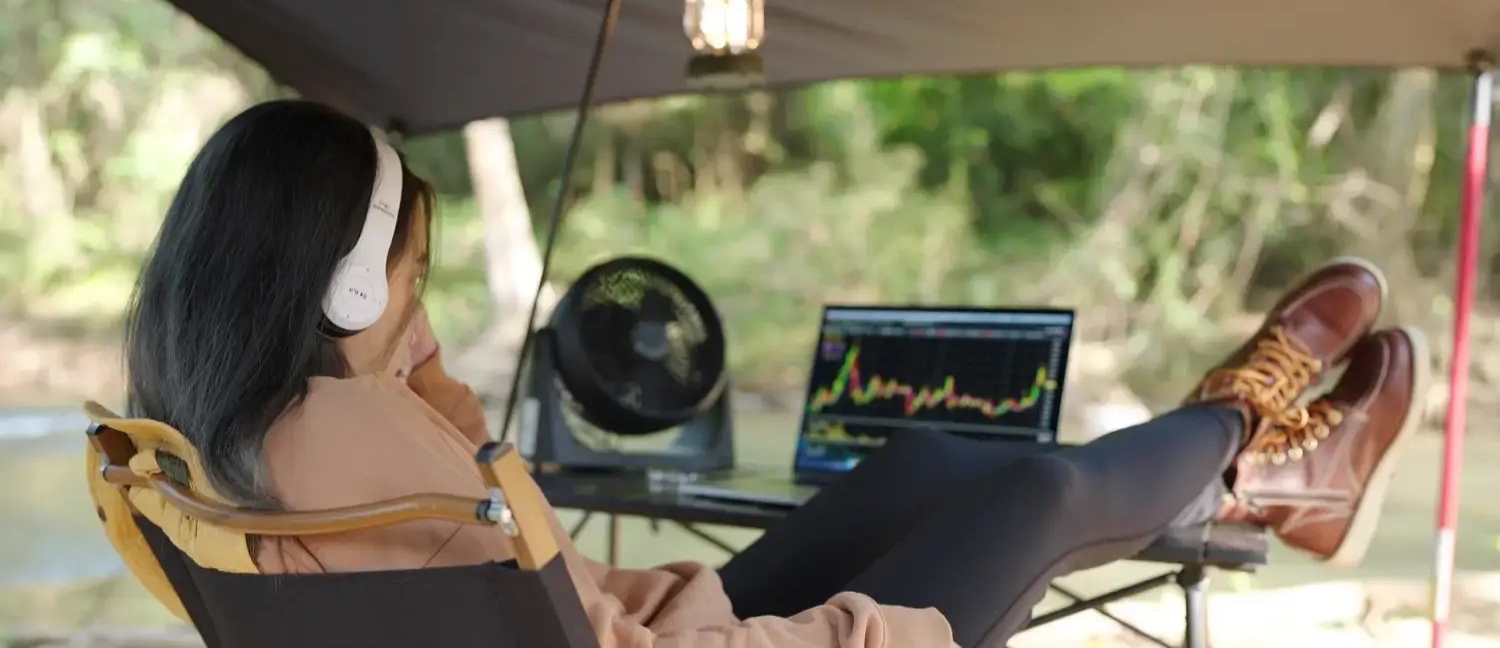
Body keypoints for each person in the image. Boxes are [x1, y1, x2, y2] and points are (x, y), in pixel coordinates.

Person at [124, 100, 1425, 648]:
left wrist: (413, 373)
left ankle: (1260, 469)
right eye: (408, 279)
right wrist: (846, 627)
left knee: (916, 460)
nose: (418, 305)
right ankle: (1247, 434)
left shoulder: (229, 435)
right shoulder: (356, 436)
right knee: (1032, 495)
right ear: (343, 288)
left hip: (620, 625)